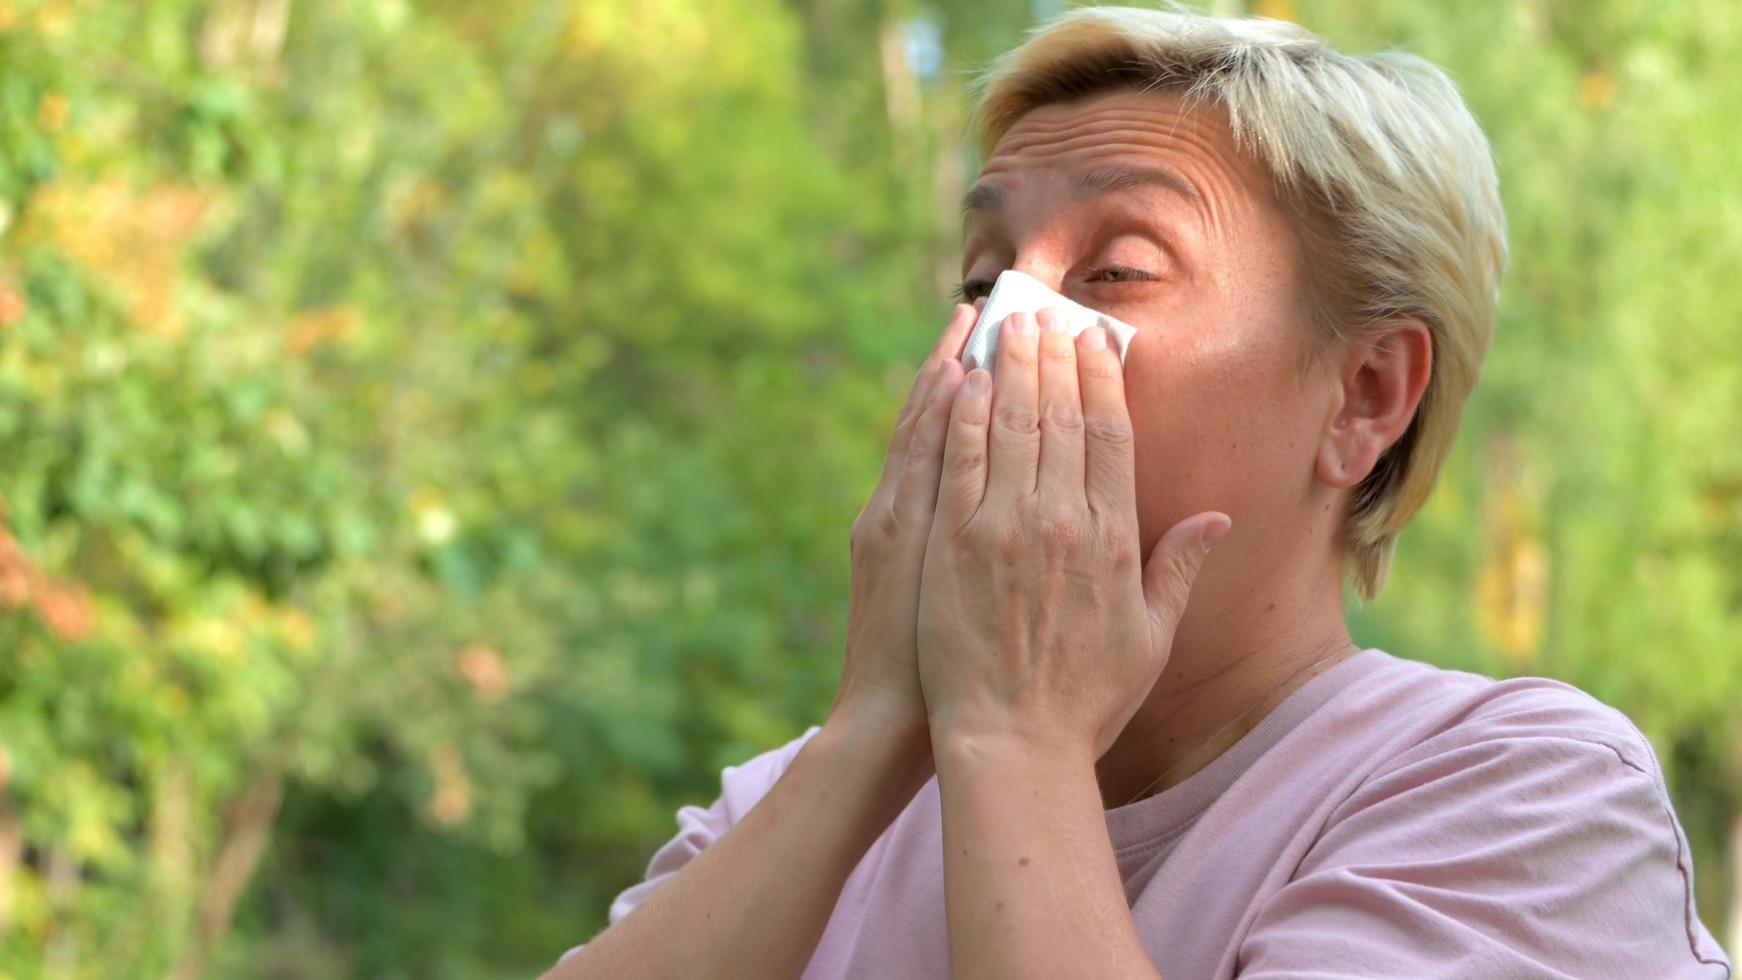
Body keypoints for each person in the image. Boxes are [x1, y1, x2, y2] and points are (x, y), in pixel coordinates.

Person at [548, 5, 1733, 977]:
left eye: (1115, 269)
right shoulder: (788, 801)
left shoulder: (1522, 795)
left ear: (1365, 393)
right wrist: (876, 726)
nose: (1000, 331)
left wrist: (1016, 734)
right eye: (977, 279)